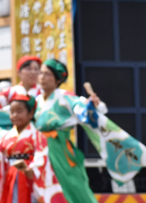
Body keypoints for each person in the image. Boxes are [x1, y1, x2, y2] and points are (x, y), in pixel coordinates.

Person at [34, 59, 101, 203]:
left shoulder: (64, 96)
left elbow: (80, 106)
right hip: (39, 149)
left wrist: (90, 104)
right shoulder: (36, 101)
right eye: (40, 73)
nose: (42, 77)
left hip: (59, 148)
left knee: (71, 185)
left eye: (47, 74)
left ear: (57, 79)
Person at [0, 93, 57, 203]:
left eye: (19, 111)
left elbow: (42, 156)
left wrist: (32, 170)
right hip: (10, 177)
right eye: (12, 112)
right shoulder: (4, 137)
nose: (15, 115)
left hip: (29, 177)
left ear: (31, 113)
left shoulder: (37, 136)